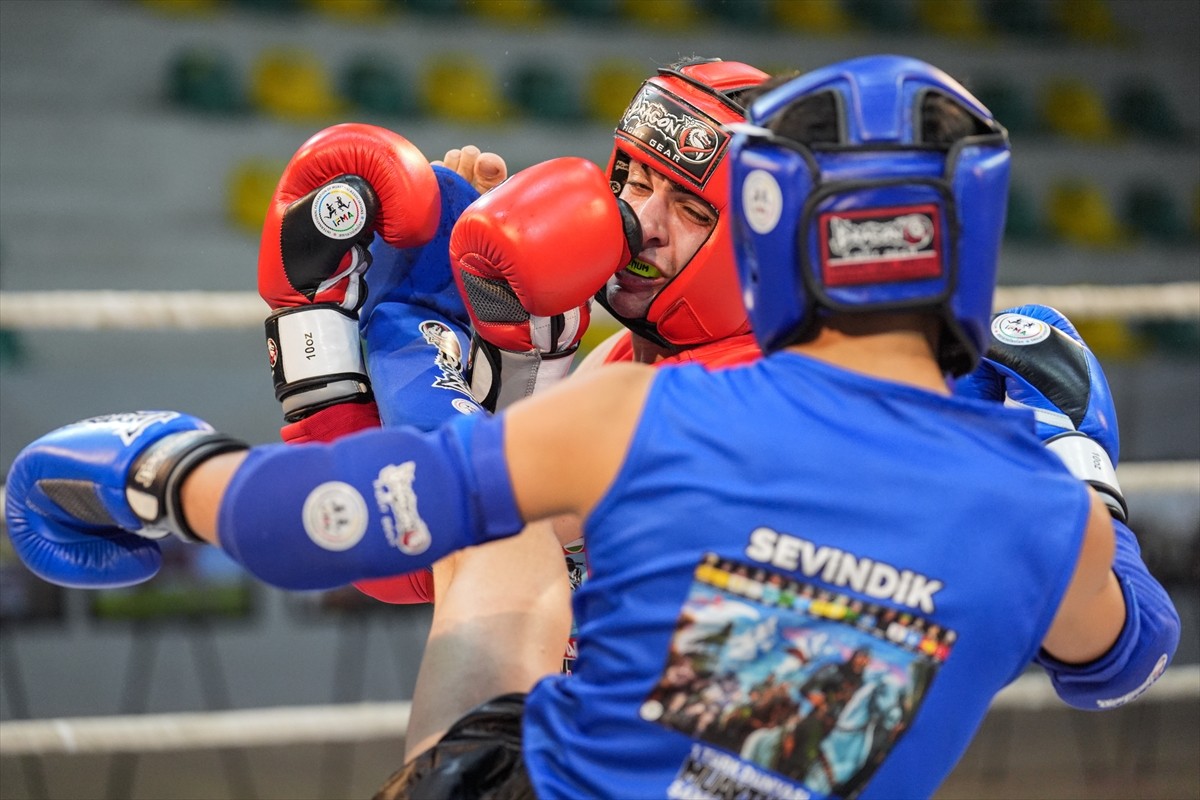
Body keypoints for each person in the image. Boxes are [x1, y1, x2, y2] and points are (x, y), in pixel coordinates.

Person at [4, 55, 1181, 799]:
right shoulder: (1038, 508)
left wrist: (173, 462)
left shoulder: (636, 414)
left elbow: (377, 528)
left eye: (687, 204)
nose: (637, 217)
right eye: (634, 177)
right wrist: (1080, 477)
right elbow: (1121, 654)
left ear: (763, 233)